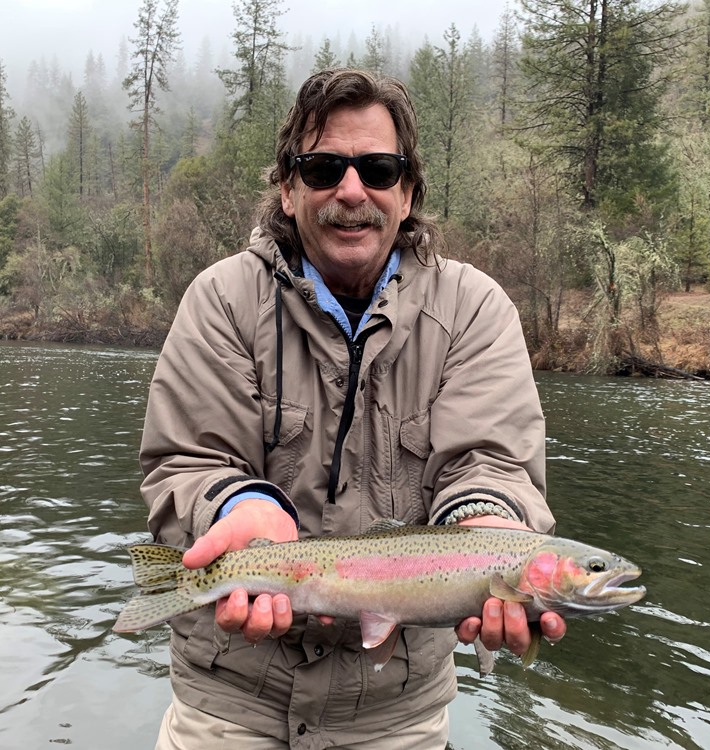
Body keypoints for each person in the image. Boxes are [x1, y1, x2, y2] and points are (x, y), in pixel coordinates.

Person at [139, 68, 566, 750]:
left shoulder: (473, 311)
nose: (350, 190)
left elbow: (490, 463)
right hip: (231, 702)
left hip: (395, 714)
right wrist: (236, 509)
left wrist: (489, 530)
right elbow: (190, 458)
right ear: (287, 186)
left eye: (377, 168)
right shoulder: (222, 299)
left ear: (408, 190)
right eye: (322, 168)